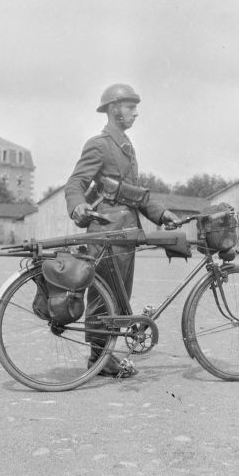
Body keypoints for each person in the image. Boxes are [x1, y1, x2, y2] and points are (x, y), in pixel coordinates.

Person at [65, 83, 180, 378]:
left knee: (118, 295)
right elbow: (75, 183)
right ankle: (98, 358)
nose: (135, 113)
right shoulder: (99, 144)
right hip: (105, 229)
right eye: (130, 107)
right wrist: (78, 206)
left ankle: (104, 355)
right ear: (115, 109)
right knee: (103, 297)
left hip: (125, 231)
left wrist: (161, 214)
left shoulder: (126, 146)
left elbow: (132, 193)